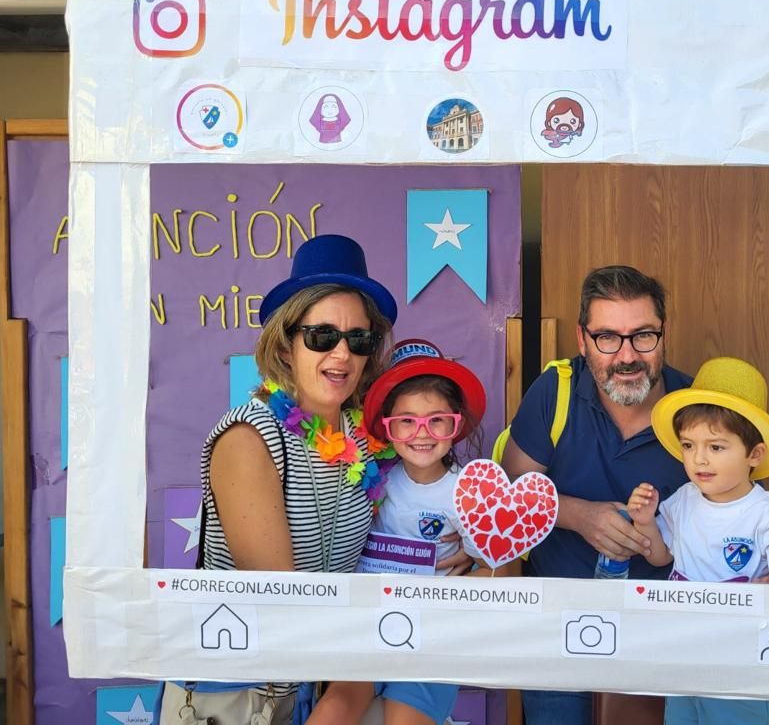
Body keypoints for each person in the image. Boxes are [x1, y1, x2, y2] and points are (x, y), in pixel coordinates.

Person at [158, 235, 468, 724]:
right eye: (322, 336)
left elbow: (408, 522)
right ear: (286, 343)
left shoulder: (367, 441)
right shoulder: (249, 437)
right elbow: (279, 596)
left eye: (358, 339)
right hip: (235, 691)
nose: (341, 354)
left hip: (317, 688)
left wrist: (462, 548)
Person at [500, 265, 693, 725]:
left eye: (642, 335)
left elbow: (740, 512)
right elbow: (508, 497)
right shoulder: (556, 391)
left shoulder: (697, 407)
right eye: (608, 337)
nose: (627, 355)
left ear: (664, 335)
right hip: (558, 629)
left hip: (665, 635)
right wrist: (578, 515)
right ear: (584, 341)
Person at [309, 339, 506, 725]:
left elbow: (495, 572)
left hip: (432, 640)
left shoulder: (470, 493)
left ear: (456, 424)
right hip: (367, 632)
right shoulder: (368, 477)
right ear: (387, 424)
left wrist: (456, 587)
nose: (422, 432)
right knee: (331, 711)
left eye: (436, 419)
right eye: (406, 420)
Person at [630, 356, 769, 725]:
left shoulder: (768, 515)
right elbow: (659, 557)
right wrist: (644, 522)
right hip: (683, 658)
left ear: (754, 454)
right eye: (688, 445)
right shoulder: (683, 500)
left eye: (716, 447)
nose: (699, 459)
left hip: (742, 669)